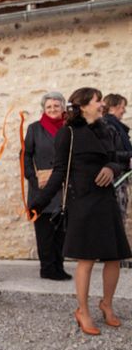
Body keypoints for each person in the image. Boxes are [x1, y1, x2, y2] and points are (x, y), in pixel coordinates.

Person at [30, 88, 131, 336]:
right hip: (82, 203)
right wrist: (39, 204)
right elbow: (59, 171)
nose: (102, 104)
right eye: (97, 100)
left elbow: (121, 159)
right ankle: (83, 311)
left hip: (105, 201)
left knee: (114, 258)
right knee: (86, 260)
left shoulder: (106, 129)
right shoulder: (68, 133)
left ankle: (106, 304)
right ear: (83, 105)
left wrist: (111, 167)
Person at [24, 92, 72, 280]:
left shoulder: (69, 129)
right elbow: (26, 156)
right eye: (49, 107)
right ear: (43, 109)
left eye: (56, 106)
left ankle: (58, 266)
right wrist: (33, 178)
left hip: (63, 187)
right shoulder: (34, 129)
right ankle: (47, 268)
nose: (53, 110)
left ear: (63, 108)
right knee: (44, 231)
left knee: (61, 230)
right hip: (41, 187)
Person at [102, 93, 131, 220]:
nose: (124, 110)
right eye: (122, 107)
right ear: (112, 108)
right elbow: (109, 153)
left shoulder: (117, 127)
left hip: (120, 175)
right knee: (117, 218)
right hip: (115, 178)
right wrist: (130, 156)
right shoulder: (108, 126)